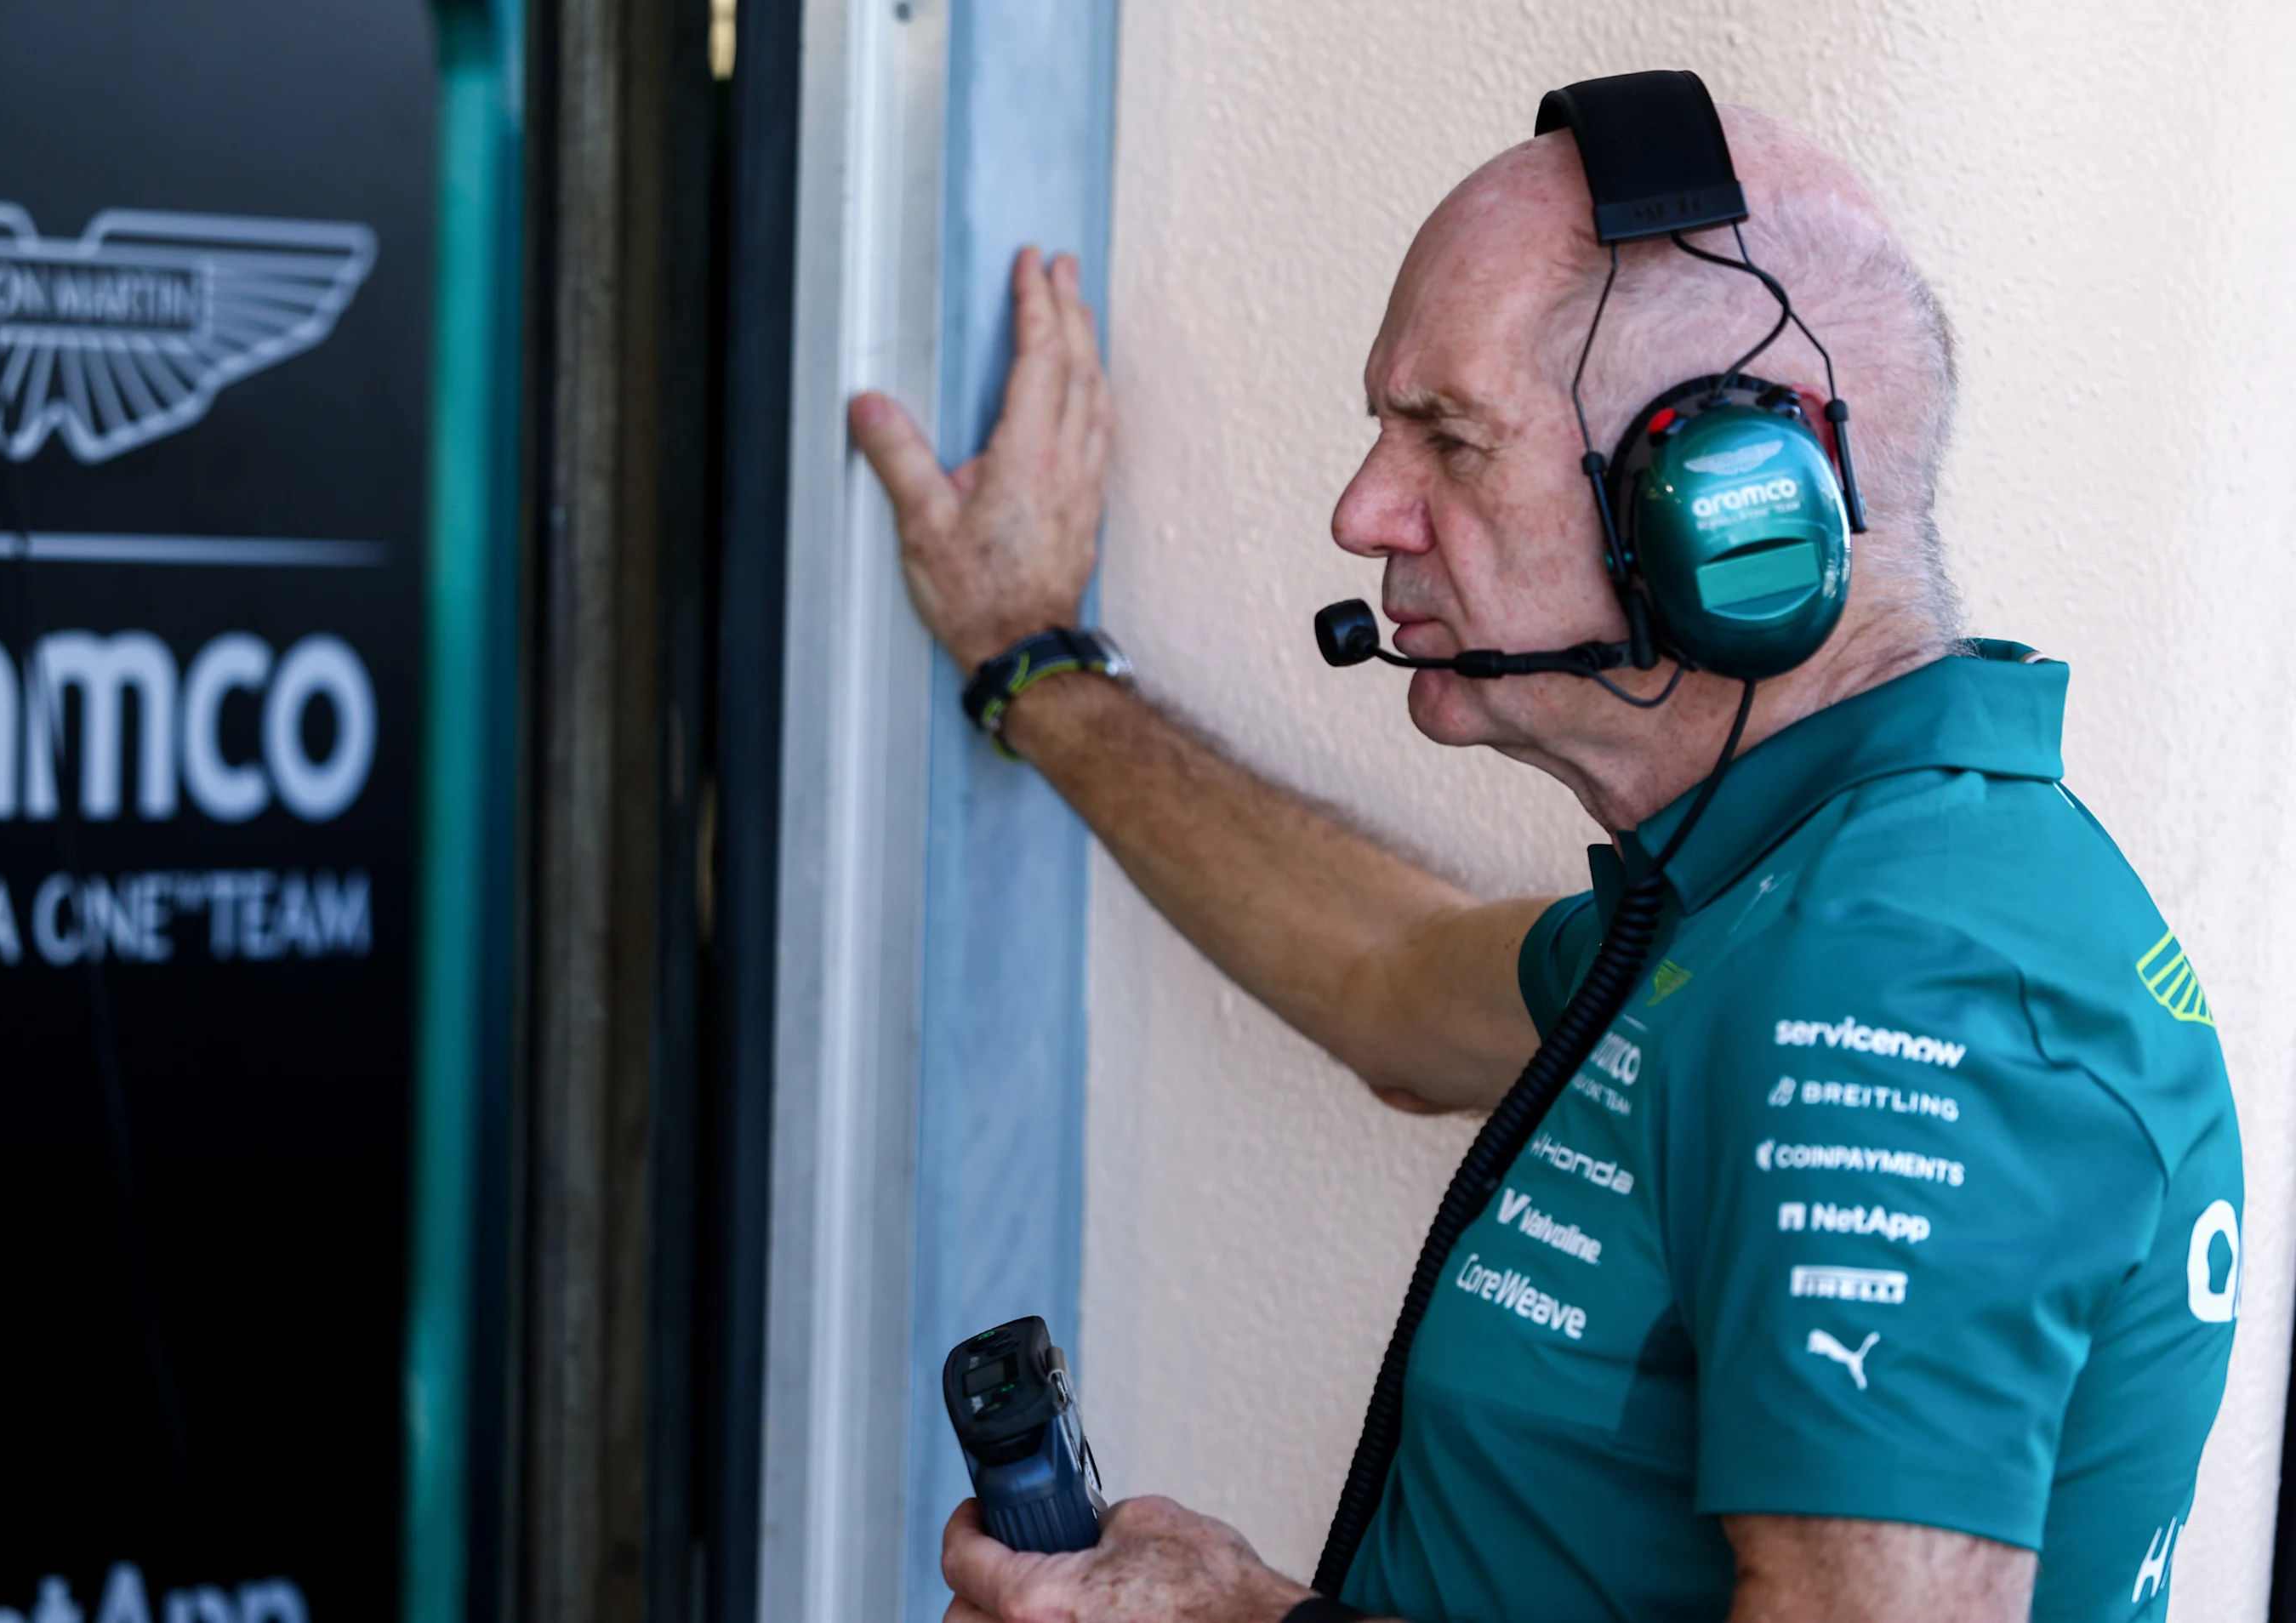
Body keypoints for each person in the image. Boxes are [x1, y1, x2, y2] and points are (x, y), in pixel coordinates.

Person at [850, 100, 2243, 1623]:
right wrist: (1030, 662)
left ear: (1728, 503)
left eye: (1447, 436)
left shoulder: (1898, 988)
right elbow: (1388, 978)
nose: (1364, 511)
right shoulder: (1771, 890)